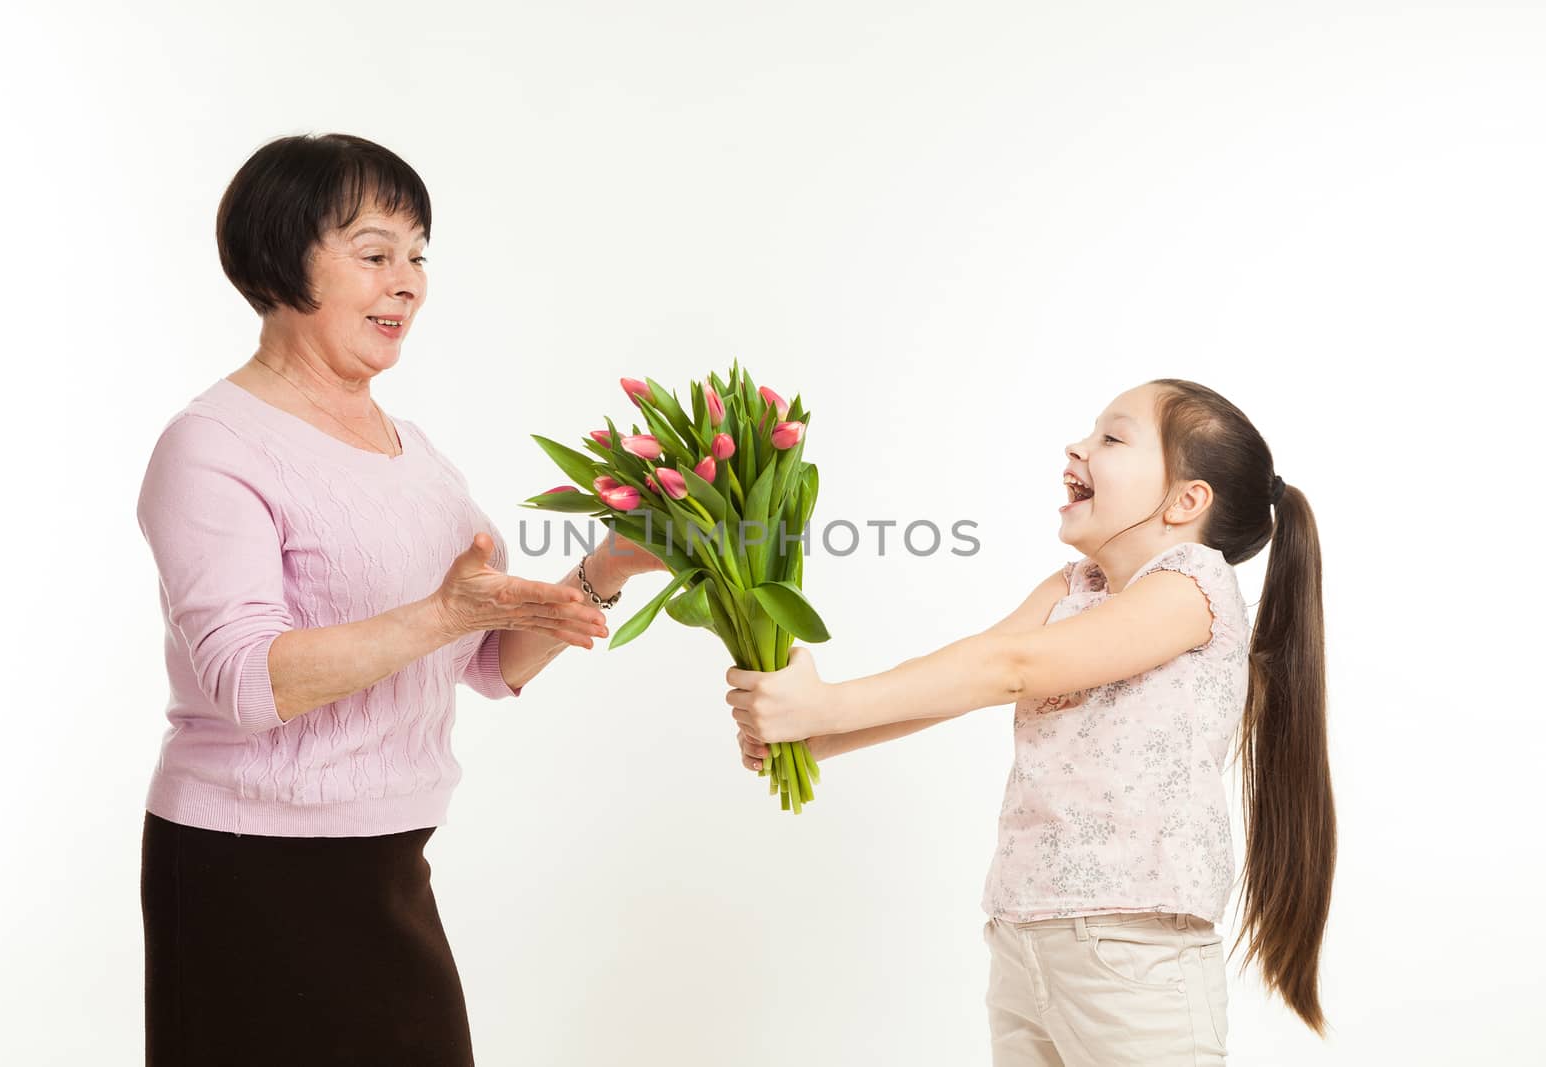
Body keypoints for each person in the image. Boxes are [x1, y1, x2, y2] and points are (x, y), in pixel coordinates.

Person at [135, 132, 665, 1066]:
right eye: (375, 253)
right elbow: (246, 680)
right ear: (280, 258)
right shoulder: (213, 446)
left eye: (418, 255)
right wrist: (447, 614)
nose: (409, 281)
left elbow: (488, 660)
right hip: (249, 863)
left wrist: (612, 563)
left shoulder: (411, 447)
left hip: (387, 858)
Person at [725, 379, 1335, 1065]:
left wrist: (828, 703)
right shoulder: (1077, 587)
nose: (1077, 446)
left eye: (1112, 436)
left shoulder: (1191, 588)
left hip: (1132, 950)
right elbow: (965, 679)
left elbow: (1010, 667)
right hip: (1024, 941)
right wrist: (819, 733)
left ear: (1187, 500)